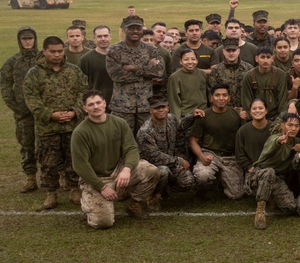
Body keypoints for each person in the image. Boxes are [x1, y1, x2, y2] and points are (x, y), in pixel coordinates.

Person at [70, 90, 161, 229]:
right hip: (96, 177)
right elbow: (80, 165)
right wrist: (101, 186)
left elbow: (131, 148)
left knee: (151, 171)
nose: (96, 106)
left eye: (98, 102)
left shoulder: (119, 123)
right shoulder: (80, 132)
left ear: (105, 103)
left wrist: (126, 169)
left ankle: (134, 203)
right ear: (85, 108)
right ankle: (88, 202)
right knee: (103, 223)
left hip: (118, 170)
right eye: (91, 104)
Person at [22, 35, 90, 210]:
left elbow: (84, 91)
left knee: (73, 159)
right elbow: (31, 99)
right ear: (44, 51)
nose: (57, 55)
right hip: (48, 128)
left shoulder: (73, 71)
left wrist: (75, 111)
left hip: (72, 126)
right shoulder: (34, 74)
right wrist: (51, 114)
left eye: (60, 51)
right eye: (53, 52)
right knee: (48, 162)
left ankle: (74, 189)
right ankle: (51, 193)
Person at [245, 112, 300, 229]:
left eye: (296, 126)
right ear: (282, 126)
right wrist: (279, 141)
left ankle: (272, 198)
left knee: (290, 207)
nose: (293, 128)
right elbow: (274, 143)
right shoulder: (274, 138)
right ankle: (260, 211)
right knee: (269, 172)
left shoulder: (296, 141)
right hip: (259, 175)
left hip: (277, 179)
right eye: (290, 125)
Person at [136, 95, 196, 211]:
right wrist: (179, 160)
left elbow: (181, 125)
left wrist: (192, 116)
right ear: (150, 110)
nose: (161, 110)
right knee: (163, 171)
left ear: (168, 108)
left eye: (163, 107)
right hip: (150, 166)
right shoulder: (146, 131)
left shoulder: (171, 119)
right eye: (156, 108)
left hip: (169, 162)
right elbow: (155, 156)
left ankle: (165, 190)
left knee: (188, 182)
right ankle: (152, 196)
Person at [106, 15, 165, 133]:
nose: (135, 31)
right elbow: (117, 76)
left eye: (138, 28)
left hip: (145, 105)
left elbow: (159, 71)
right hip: (122, 107)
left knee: (147, 140)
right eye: (131, 28)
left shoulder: (151, 49)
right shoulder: (114, 50)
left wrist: (132, 67)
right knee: (121, 140)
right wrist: (147, 69)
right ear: (123, 29)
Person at [1, 26, 39, 192]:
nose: (28, 41)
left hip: (44, 111)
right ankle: (30, 177)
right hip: (23, 112)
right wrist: (15, 106)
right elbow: (5, 84)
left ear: (35, 39)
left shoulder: (43, 58)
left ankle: (56, 176)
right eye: (24, 39)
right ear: (19, 40)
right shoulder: (13, 61)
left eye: (30, 38)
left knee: (50, 145)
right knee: (26, 144)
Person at [190, 86, 245, 200]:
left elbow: (245, 138)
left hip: (230, 157)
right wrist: (202, 157)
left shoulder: (237, 115)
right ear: (211, 98)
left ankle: (221, 181)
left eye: (224, 95)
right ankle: (200, 192)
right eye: (217, 95)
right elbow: (193, 141)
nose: (221, 98)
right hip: (210, 154)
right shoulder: (203, 115)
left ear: (229, 98)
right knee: (203, 176)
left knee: (236, 195)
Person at [240, 46, 289, 120]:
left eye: (268, 57)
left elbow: (282, 100)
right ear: (257, 59)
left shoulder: (280, 74)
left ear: (272, 59)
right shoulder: (248, 76)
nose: (265, 60)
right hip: (255, 115)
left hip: (275, 116)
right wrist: (250, 116)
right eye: (262, 57)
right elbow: (246, 99)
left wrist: (281, 119)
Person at [166, 48, 209, 118]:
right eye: (186, 59)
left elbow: (207, 94)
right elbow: (174, 100)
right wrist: (177, 119)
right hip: (186, 115)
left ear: (197, 61)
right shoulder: (175, 77)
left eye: (193, 59)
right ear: (181, 61)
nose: (190, 62)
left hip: (203, 113)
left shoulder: (202, 74)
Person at [78, 25, 114, 103]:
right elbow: (80, 85)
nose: (103, 39)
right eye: (99, 36)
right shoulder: (86, 59)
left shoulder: (118, 56)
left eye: (105, 36)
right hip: (96, 103)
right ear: (94, 38)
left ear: (110, 36)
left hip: (118, 103)